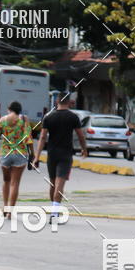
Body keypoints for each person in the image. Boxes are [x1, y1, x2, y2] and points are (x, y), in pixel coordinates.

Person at [33, 93, 87, 221]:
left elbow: (42, 137)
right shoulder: (73, 117)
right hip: (66, 154)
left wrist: (37, 157)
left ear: (57, 101)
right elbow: (80, 135)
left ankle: (54, 209)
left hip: (52, 154)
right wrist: (84, 149)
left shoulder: (48, 117)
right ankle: (55, 211)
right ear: (69, 102)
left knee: (53, 184)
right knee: (60, 183)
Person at [0, 101, 33, 213]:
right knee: (15, 183)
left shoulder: (2, 120)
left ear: (9, 109)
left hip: (5, 154)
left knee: (6, 181)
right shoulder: (23, 120)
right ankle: (10, 211)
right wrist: (33, 154)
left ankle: (5, 206)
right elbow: (28, 139)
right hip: (20, 154)